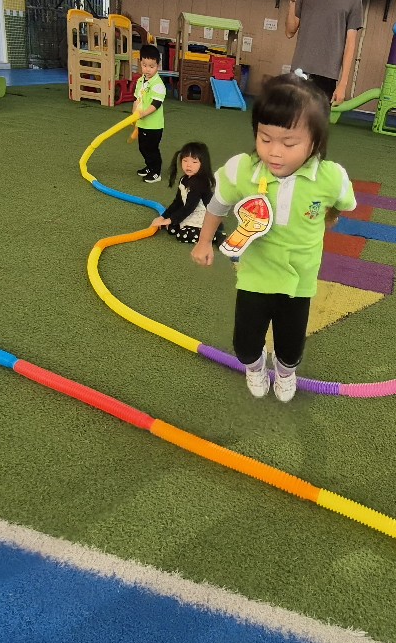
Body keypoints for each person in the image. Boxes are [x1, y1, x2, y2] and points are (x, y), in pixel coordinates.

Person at [191, 75, 357, 402]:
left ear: (315, 142)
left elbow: (342, 203)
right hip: (256, 274)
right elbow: (219, 204)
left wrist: (330, 215)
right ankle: (255, 367)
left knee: (291, 346)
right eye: (265, 138)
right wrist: (203, 241)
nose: (274, 152)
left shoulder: (330, 177)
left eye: (289, 143)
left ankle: (285, 372)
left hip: (300, 278)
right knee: (244, 344)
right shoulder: (243, 169)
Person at [284, 0, 363, 105]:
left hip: (327, 77)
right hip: (299, 72)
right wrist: (292, 0)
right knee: (290, 121)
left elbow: (350, 45)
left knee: (315, 123)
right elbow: (289, 31)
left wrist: (342, 84)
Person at [152, 141, 225, 246]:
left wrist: (169, 220)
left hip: (205, 217)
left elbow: (189, 207)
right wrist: (163, 217)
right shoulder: (184, 179)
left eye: (194, 162)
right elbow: (178, 202)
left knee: (182, 235)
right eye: (185, 160)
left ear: (203, 164)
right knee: (171, 228)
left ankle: (215, 235)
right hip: (192, 214)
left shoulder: (199, 183)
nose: (188, 165)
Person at [130, 43, 166, 183]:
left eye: (151, 66)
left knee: (151, 149)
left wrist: (142, 114)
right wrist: (134, 115)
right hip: (142, 123)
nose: (147, 69)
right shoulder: (140, 81)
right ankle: (149, 167)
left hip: (154, 126)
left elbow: (155, 105)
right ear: (140, 63)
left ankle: (156, 172)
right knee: (142, 147)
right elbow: (137, 99)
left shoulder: (158, 85)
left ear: (158, 66)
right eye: (144, 65)